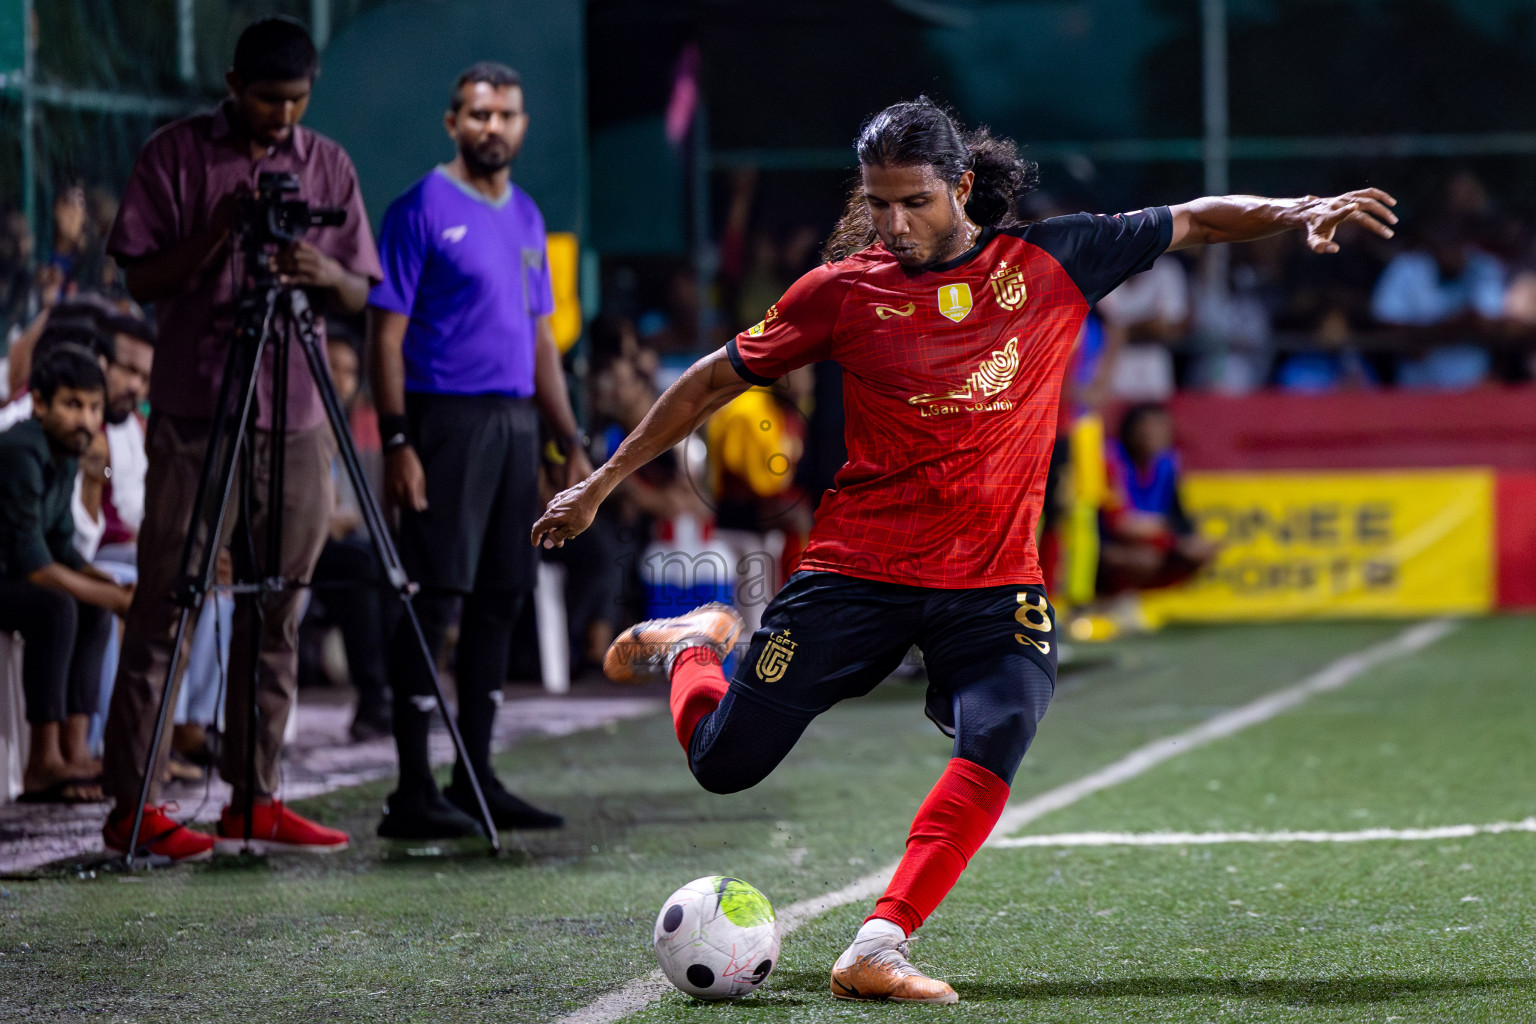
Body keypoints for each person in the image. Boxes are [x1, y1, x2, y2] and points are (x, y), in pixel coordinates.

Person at [532, 97, 1398, 1005]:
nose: (895, 224)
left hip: (992, 583)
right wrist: (599, 484)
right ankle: (697, 643)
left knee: (1004, 726)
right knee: (723, 764)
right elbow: (711, 379)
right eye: (879, 205)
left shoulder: (1052, 259)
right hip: (856, 572)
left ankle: (878, 942)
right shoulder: (842, 291)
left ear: (963, 186)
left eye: (914, 202)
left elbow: (1193, 220)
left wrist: (1296, 210)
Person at [99, 17, 382, 862]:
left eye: (297, 100)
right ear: (233, 84)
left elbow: (360, 290)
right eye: (268, 100)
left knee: (280, 606)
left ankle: (253, 798)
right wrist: (219, 232)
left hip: (294, 412)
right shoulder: (178, 155)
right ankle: (135, 805)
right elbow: (140, 275)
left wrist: (321, 273)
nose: (284, 117)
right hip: (196, 412)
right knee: (170, 602)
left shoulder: (325, 161)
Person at [368, 61, 592, 838]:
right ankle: (410, 788)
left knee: (502, 596)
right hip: (443, 423)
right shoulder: (419, 208)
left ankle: (476, 776)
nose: (491, 126)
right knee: (435, 600)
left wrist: (568, 439)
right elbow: (385, 336)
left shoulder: (527, 216)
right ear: (452, 122)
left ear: (522, 126)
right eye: (477, 113)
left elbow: (540, 343)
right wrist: (398, 440)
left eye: (505, 114)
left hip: (516, 422)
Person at [0, 344, 132, 802]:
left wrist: (111, 588)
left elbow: (63, 550)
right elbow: (36, 567)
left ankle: (74, 751)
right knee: (57, 608)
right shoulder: (23, 450)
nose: (86, 420)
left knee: (93, 609)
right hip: (10, 576)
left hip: (17, 575)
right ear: (39, 403)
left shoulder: (66, 453)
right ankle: (42, 761)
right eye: (72, 405)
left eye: (94, 407)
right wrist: (112, 597)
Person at [1097, 403, 1218, 595]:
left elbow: (1178, 517)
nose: (1150, 433)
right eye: (1144, 426)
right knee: (1144, 559)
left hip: (1152, 542)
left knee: (1202, 550)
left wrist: (1190, 540)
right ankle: (1109, 600)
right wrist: (1174, 542)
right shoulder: (1111, 461)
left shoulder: (1167, 466)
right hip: (1106, 544)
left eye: (1159, 427)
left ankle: (1131, 599)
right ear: (1129, 429)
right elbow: (1120, 524)